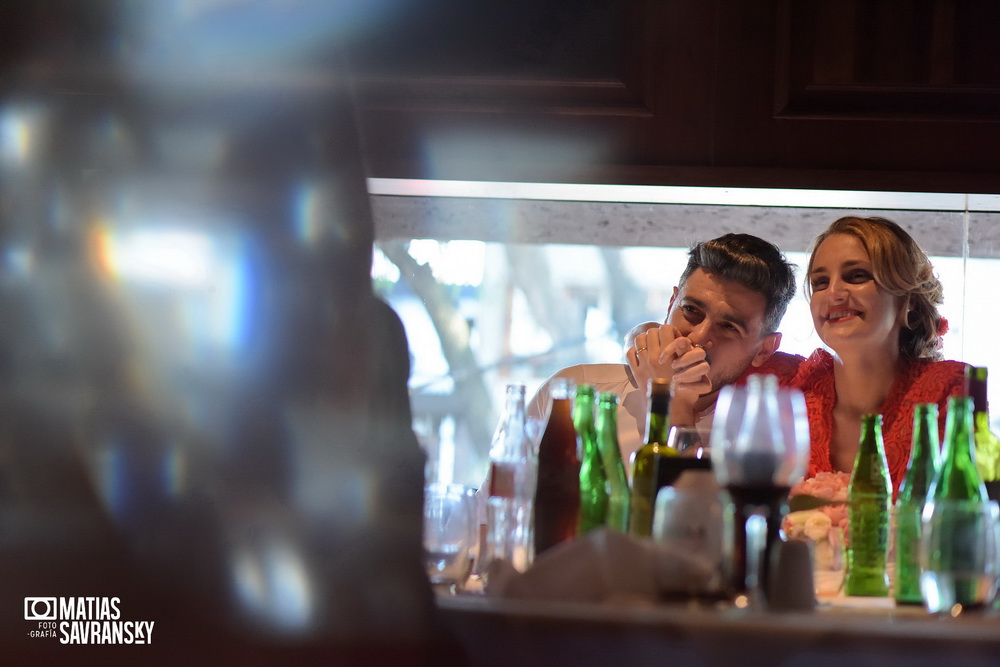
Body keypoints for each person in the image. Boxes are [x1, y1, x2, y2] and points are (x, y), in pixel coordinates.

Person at [528, 233, 803, 472]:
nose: (698, 336)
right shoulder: (574, 393)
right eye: (691, 311)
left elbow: (699, 524)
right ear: (671, 303)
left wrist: (672, 403)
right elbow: (497, 515)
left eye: (729, 327)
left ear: (764, 349)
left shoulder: (764, 440)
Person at [789, 216, 967, 496]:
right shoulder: (794, 397)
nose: (833, 292)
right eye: (820, 282)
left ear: (906, 300)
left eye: (857, 275)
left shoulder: (948, 393)